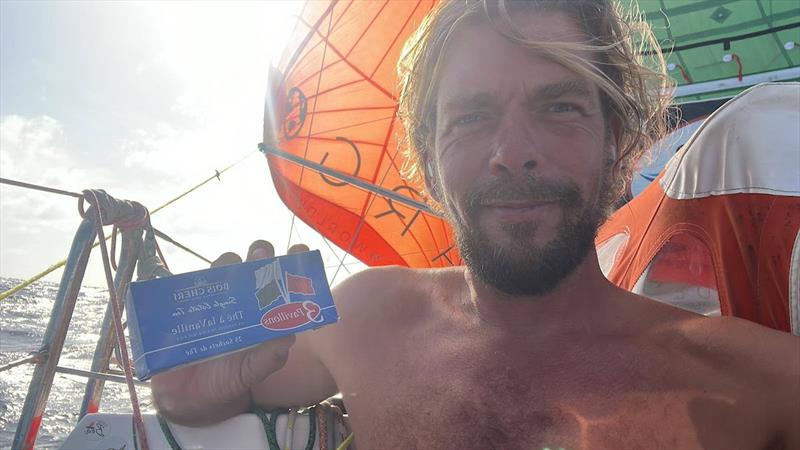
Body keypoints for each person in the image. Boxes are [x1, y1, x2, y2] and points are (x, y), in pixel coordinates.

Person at [151, 1, 800, 448]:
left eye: (562, 106)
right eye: (470, 117)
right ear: (427, 158)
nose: (511, 151)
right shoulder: (363, 318)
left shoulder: (760, 383)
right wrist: (190, 393)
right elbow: (210, 397)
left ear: (617, 142)